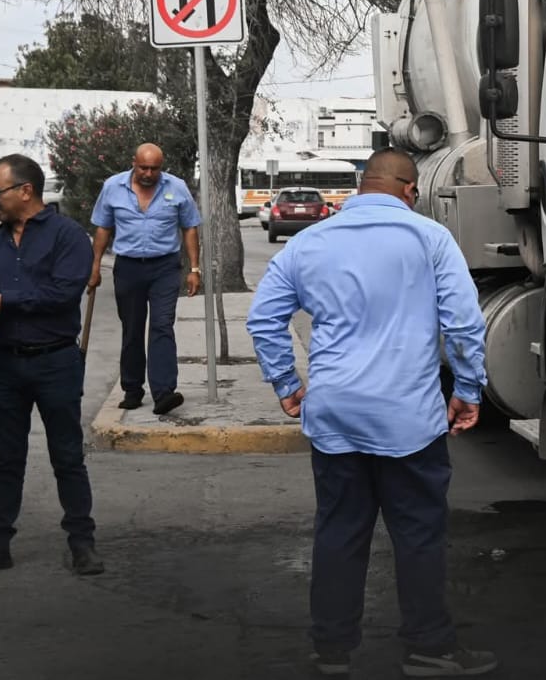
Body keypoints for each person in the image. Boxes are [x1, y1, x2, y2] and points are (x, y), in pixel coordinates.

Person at [246, 148, 495, 678]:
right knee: (419, 535)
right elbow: (463, 323)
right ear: (409, 189)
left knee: (339, 532)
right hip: (409, 419)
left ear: (363, 186)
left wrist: (287, 383)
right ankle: (429, 649)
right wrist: (468, 388)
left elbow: (264, 318)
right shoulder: (430, 239)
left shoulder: (308, 242)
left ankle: (331, 652)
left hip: (334, 416)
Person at [0, 154, 103, 578]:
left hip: (55, 362)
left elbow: (63, 292)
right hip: (5, 365)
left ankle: (82, 544)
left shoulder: (67, 236)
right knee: (5, 461)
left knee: (67, 457)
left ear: (25, 191)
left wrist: (6, 300)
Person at [88, 143, 202, 416]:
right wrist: (94, 266)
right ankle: (132, 389)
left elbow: (189, 228)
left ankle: (164, 392)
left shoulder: (176, 187)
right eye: (144, 168)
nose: (149, 174)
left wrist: (194, 269)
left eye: (154, 168)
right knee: (132, 328)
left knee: (162, 326)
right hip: (128, 267)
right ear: (134, 163)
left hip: (165, 267)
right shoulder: (113, 187)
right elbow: (103, 228)